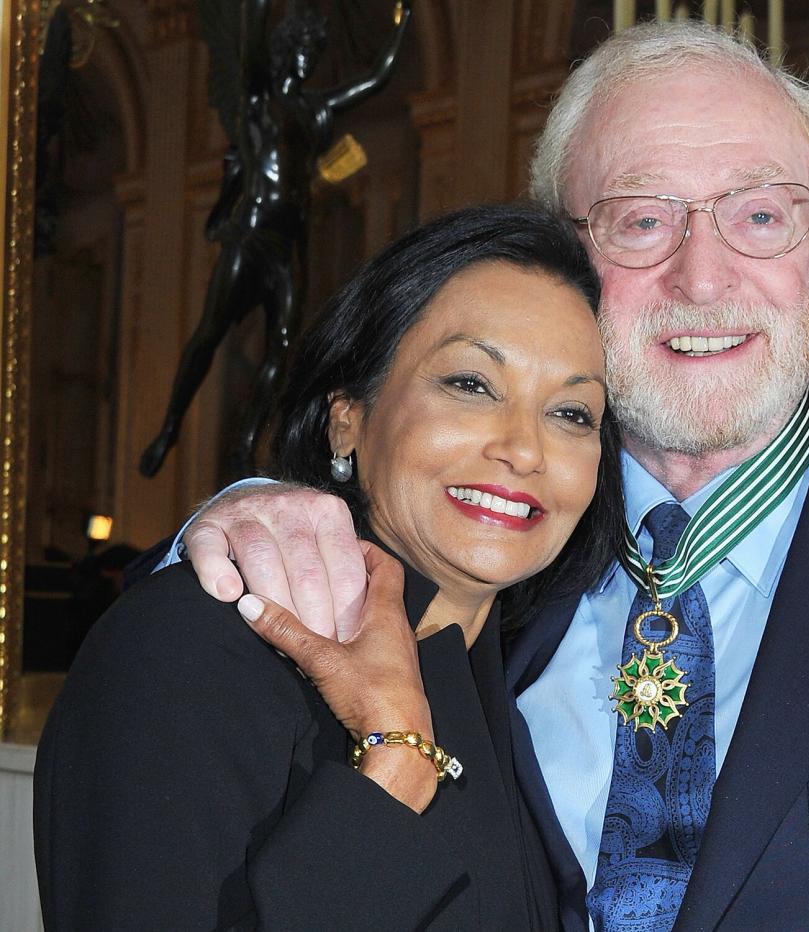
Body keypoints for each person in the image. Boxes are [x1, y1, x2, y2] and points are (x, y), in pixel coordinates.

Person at [160, 21, 809, 931]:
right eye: (641, 219)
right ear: (562, 257)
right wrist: (240, 516)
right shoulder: (482, 540)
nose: (702, 277)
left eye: (761, 215)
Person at [35, 203, 624, 930]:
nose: (525, 449)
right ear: (349, 412)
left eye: (572, 414)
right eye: (471, 384)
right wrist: (394, 761)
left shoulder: (512, 682)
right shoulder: (189, 646)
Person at [138, 0, 413, 478]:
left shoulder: (314, 110)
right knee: (209, 333)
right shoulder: (260, 103)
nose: (309, 58)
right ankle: (169, 426)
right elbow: (248, 53)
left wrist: (403, 18)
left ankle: (246, 442)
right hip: (250, 234)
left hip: (287, 247)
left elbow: (377, 77)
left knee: (282, 344)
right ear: (286, 50)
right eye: (302, 48)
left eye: (315, 50)